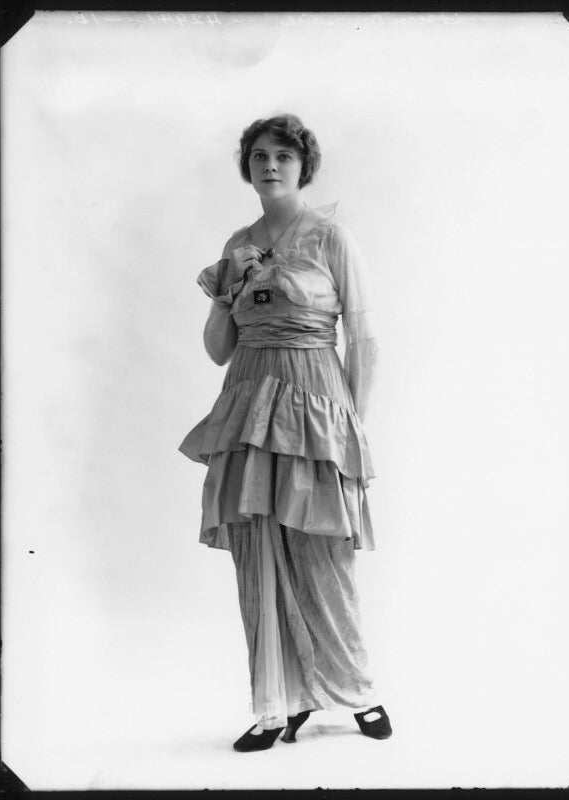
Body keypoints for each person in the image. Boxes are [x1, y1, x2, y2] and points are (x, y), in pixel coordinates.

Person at [179, 113, 392, 752]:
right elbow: (218, 349)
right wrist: (226, 291)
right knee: (258, 550)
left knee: (322, 550)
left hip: (315, 401)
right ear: (247, 167)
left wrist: (352, 424)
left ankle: (358, 690)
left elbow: (365, 337)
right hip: (248, 401)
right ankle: (279, 704)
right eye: (259, 156)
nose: (270, 165)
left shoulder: (332, 237)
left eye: (284, 156)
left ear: (304, 166)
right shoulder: (237, 243)